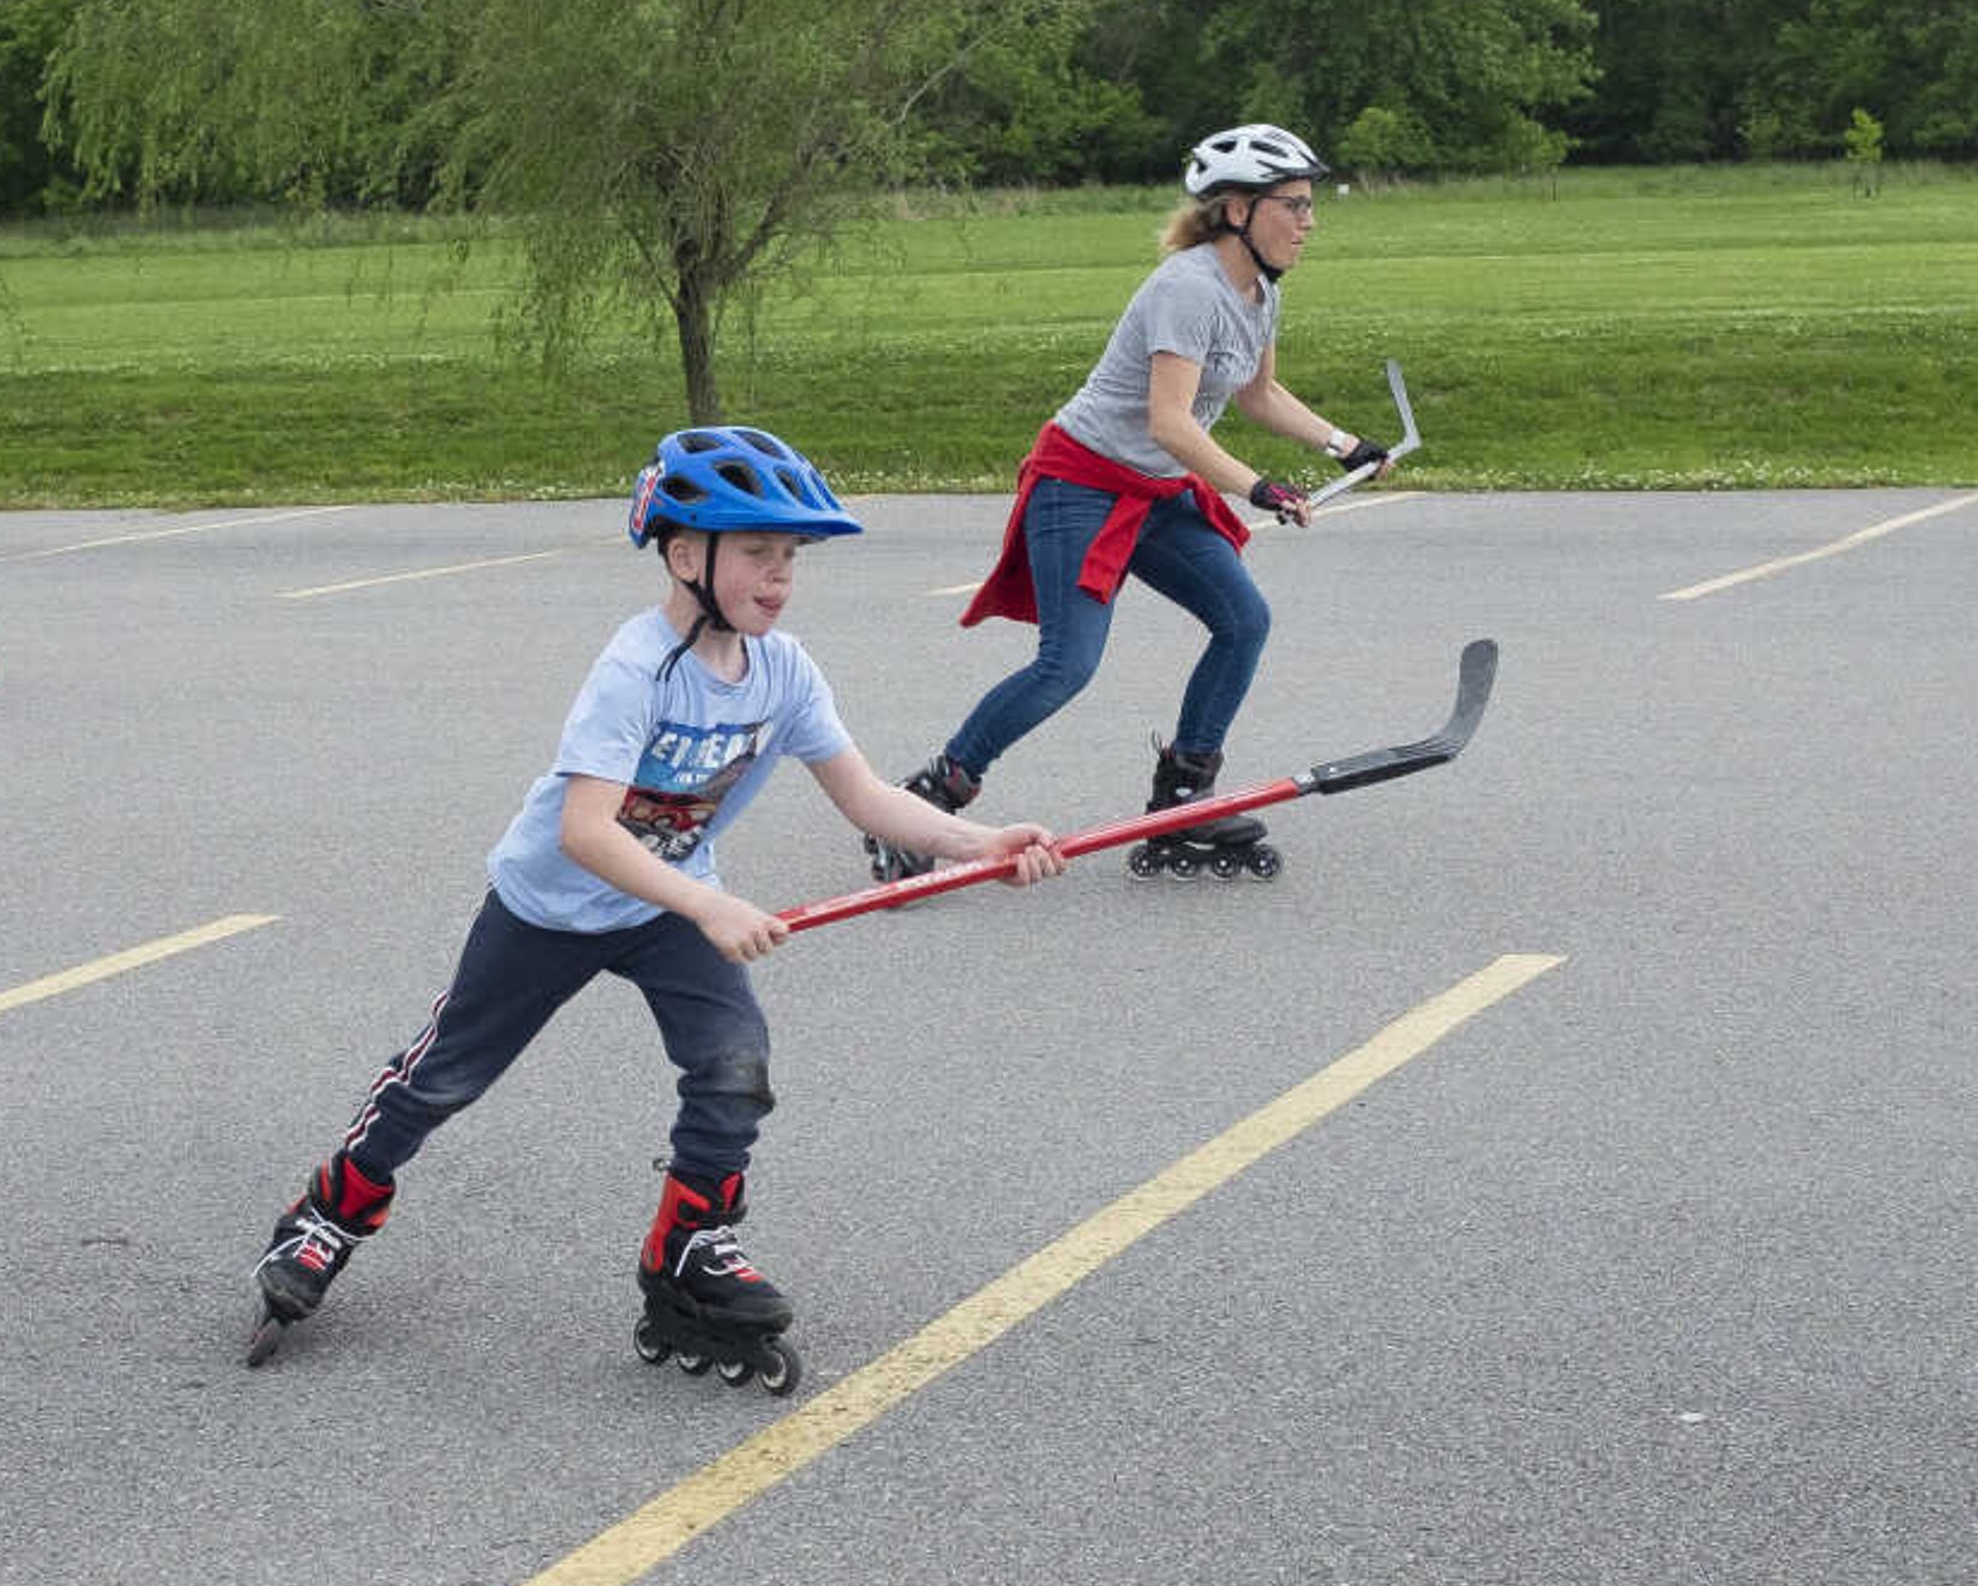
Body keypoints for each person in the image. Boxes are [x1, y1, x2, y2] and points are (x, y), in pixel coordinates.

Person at [246, 425, 1063, 1381]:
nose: (780, 576)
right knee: (442, 1077)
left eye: (791, 556)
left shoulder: (784, 670)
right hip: (550, 909)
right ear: (685, 554)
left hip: (666, 907)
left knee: (733, 1066)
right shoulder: (635, 667)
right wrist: (711, 906)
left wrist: (982, 841)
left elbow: (866, 796)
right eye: (757, 552)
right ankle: (327, 1215)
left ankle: (689, 1247)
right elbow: (587, 831)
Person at [872, 121, 1388, 884]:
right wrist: (1256, 486)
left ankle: (1184, 790)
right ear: (1239, 209)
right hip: (1080, 481)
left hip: (1150, 489)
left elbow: (1258, 392)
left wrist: (1343, 444)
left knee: (1244, 620)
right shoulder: (1188, 287)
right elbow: (1170, 420)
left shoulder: (1259, 292)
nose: (1310, 222)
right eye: (1295, 205)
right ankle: (928, 799)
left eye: (1311, 205)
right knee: (1065, 666)